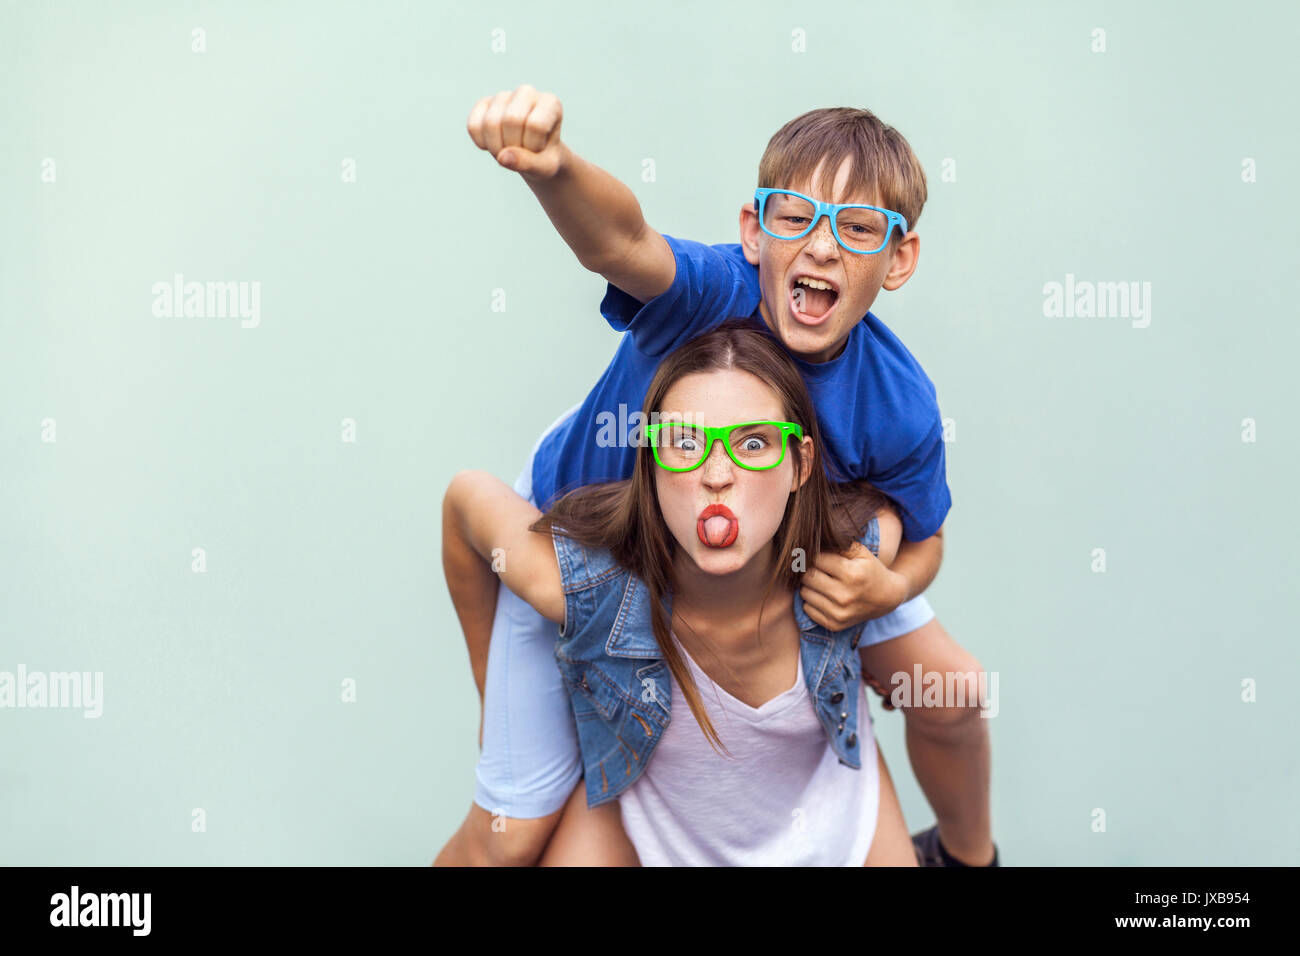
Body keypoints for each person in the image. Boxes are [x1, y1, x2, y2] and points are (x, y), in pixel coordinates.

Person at [438, 86, 997, 867]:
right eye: (794, 217)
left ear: (898, 258)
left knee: (955, 690)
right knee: (512, 835)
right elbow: (619, 239)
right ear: (753, 233)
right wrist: (553, 169)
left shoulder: (897, 402)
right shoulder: (710, 295)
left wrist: (890, 588)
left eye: (858, 229)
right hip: (588, 536)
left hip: (767, 543)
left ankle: (969, 856)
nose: (823, 247)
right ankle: (520, 721)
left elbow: (926, 536)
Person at [442, 320, 916, 865]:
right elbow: (465, 500)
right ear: (650, 463)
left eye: (754, 443)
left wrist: (895, 589)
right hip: (651, 831)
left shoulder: (853, 559)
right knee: (500, 846)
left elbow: (917, 528)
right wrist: (492, 703)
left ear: (800, 466)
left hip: (835, 821)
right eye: (685, 443)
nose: (718, 474)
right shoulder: (589, 587)